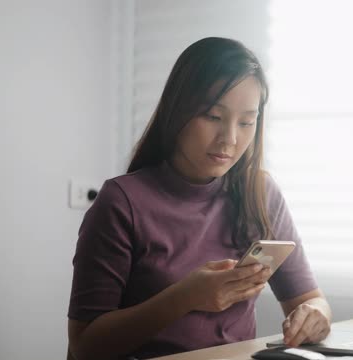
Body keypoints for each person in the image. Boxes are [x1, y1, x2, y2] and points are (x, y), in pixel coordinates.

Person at [66, 37, 332, 360]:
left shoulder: (260, 194)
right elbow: (84, 346)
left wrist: (315, 317)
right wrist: (185, 297)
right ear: (177, 110)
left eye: (246, 122)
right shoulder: (121, 203)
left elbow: (311, 300)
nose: (230, 139)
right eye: (213, 117)